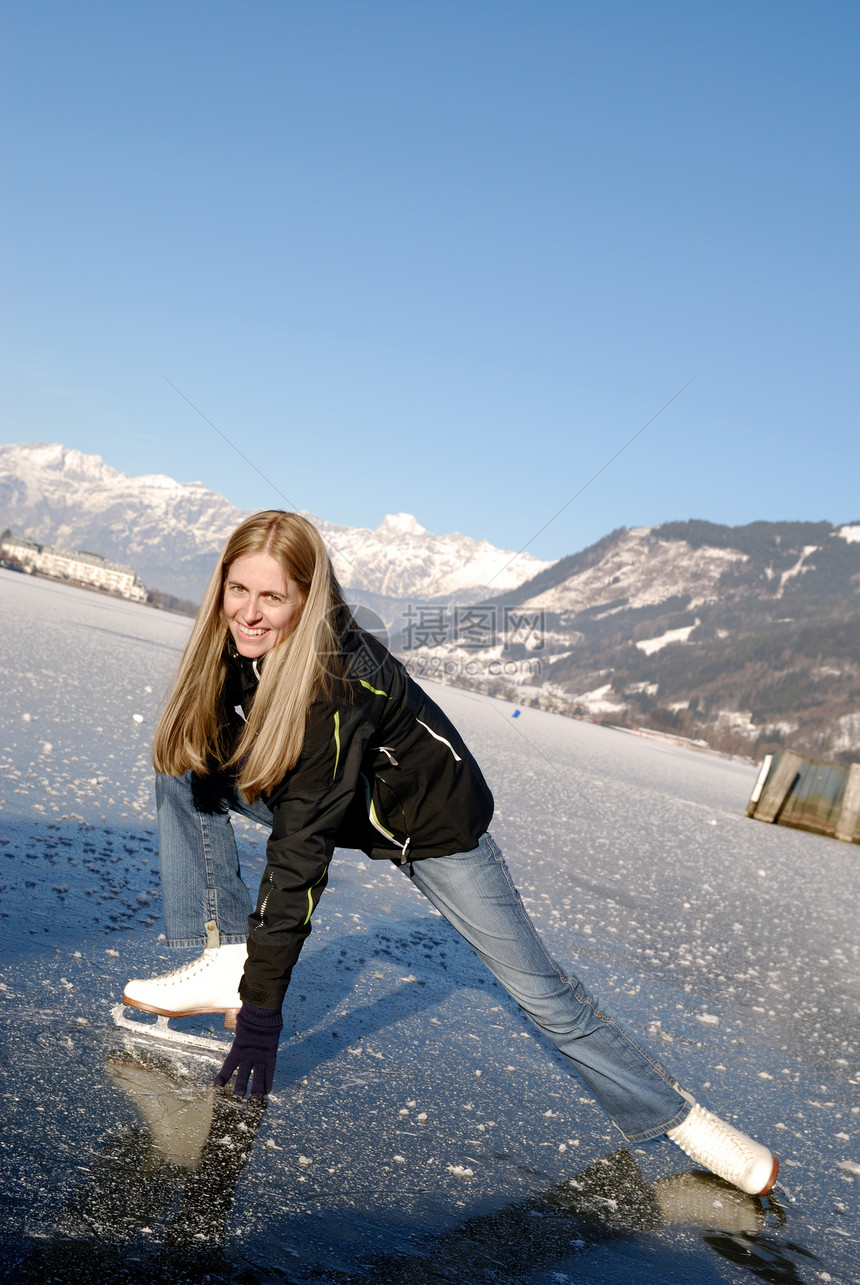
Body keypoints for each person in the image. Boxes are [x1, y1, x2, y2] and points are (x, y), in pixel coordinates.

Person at [123, 510, 779, 1198]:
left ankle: (684, 1120)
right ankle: (226, 955)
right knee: (183, 764)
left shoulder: (341, 681)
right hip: (347, 798)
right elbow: (290, 793)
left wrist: (262, 1016)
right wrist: (248, 967)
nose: (250, 614)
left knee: (544, 993)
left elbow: (301, 854)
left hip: (434, 829)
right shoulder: (235, 646)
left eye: (272, 597)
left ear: (306, 599)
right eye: (238, 590)